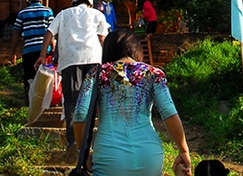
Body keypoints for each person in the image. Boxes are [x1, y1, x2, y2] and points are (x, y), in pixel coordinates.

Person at [73, 28, 191, 176]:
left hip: (110, 155)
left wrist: (83, 152)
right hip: (149, 155)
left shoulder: (97, 73)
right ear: (136, 50)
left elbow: (79, 114)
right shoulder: (154, 74)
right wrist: (183, 150)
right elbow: (169, 112)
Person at [37, 0, 110, 157]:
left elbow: (49, 32)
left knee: (71, 100)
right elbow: (103, 38)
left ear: (74, 3)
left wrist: (42, 55)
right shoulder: (96, 14)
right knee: (91, 98)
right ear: (89, 4)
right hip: (93, 58)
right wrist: (106, 60)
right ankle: (88, 140)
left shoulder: (63, 14)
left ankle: (73, 141)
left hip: (70, 60)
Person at [11, 0, 55, 101]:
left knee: (29, 76)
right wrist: (53, 47)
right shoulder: (47, 11)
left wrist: (13, 52)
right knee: (46, 76)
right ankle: (45, 101)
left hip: (29, 50)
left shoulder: (22, 13)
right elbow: (51, 31)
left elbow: (16, 33)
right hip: (45, 50)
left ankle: (30, 101)